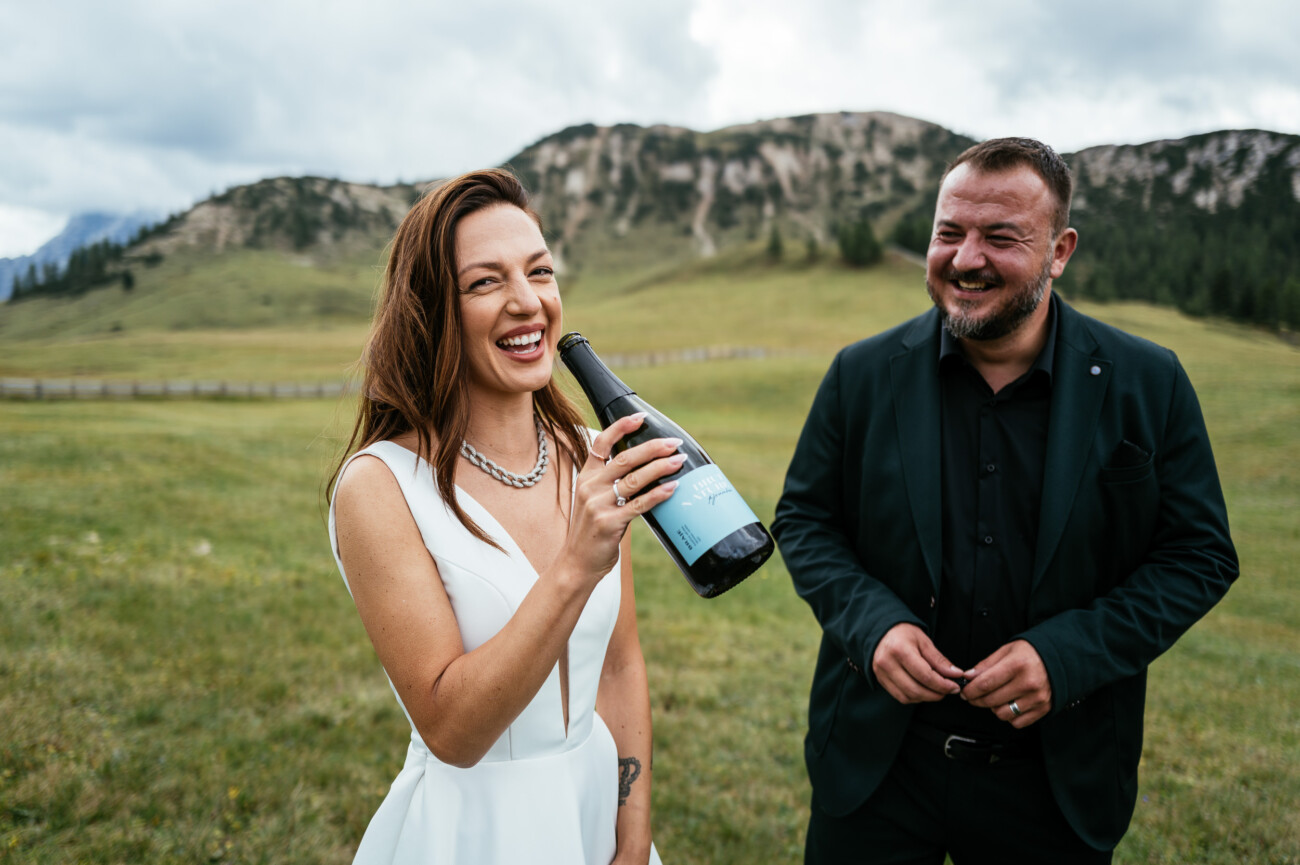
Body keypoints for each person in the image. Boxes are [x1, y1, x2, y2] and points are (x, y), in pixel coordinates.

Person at [772, 137, 1238, 863]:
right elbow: (805, 519)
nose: (965, 258)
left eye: (1000, 237)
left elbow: (1200, 555)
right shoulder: (860, 373)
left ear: (1060, 250)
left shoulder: (1150, 381)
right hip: (878, 768)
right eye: (949, 233)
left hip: (1054, 780)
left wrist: (1068, 654)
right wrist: (872, 628)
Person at [327, 169, 670, 865]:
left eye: (539, 271)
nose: (528, 303)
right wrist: (575, 565)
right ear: (431, 310)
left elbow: (619, 663)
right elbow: (453, 727)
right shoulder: (379, 486)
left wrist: (632, 837)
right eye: (486, 282)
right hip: (473, 832)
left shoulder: (589, 458)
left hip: (596, 813)